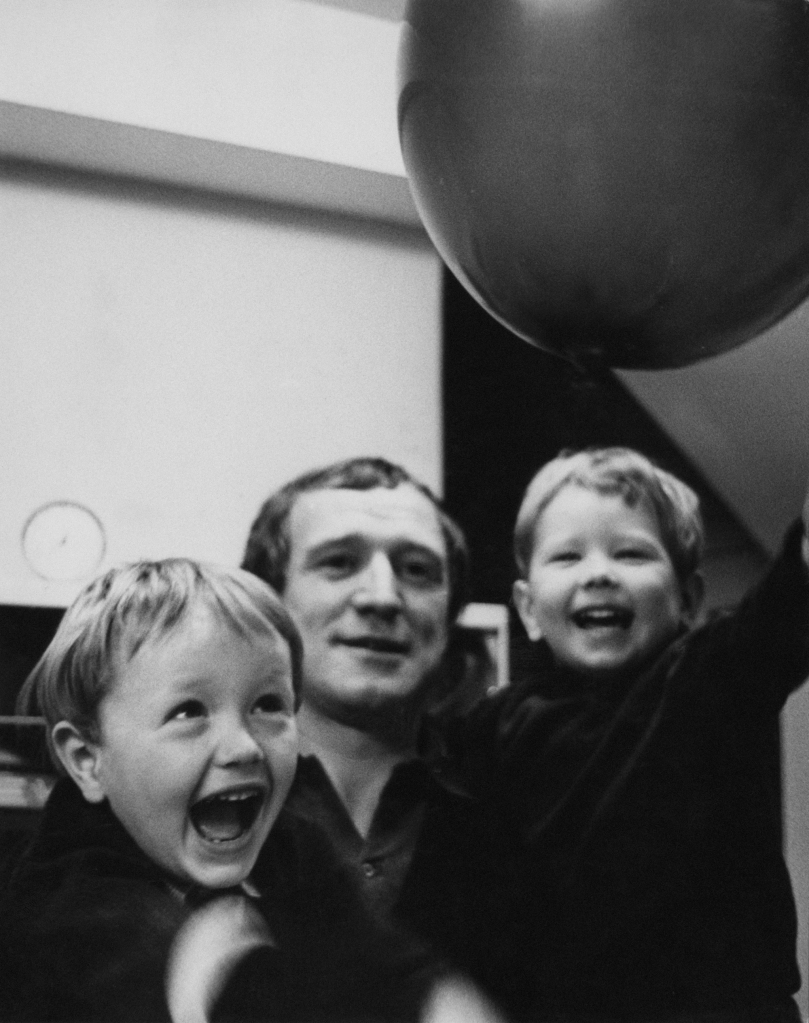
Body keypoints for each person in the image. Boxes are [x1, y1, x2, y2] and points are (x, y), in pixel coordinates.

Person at [0, 559, 446, 1023]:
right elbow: (182, 980)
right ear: (87, 760)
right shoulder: (70, 896)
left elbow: (393, 973)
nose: (243, 747)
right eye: (188, 712)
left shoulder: (290, 839)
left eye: (268, 705)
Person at [452, 446, 809, 1023]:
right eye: (567, 556)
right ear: (527, 609)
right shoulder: (494, 727)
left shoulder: (710, 675)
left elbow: (777, 623)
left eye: (631, 553)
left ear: (689, 598)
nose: (599, 572)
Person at [241, 457, 538, 1020]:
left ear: (450, 618)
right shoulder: (194, 798)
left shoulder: (519, 805)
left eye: (417, 570)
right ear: (267, 603)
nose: (382, 595)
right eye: (338, 563)